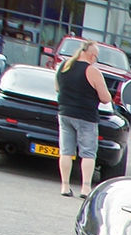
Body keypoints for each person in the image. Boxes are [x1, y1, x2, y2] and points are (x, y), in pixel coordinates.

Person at [54, 39, 113, 197]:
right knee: (88, 153)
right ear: (92, 55)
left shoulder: (64, 66)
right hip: (86, 117)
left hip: (65, 113)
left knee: (66, 151)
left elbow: (57, 88)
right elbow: (105, 98)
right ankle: (85, 188)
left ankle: (65, 186)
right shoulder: (92, 71)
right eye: (96, 57)